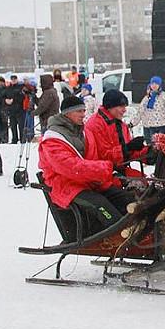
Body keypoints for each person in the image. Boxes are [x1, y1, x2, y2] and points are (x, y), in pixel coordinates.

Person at [38, 96, 135, 233]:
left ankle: (137, 223)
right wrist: (105, 168)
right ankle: (119, 234)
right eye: (79, 111)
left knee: (122, 197)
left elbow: (94, 158)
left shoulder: (85, 132)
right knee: (100, 204)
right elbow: (71, 168)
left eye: (84, 110)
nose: (83, 114)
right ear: (67, 113)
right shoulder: (52, 139)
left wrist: (109, 172)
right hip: (66, 184)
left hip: (88, 180)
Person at [85, 89, 148, 179]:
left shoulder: (120, 124)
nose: (124, 110)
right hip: (101, 174)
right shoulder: (95, 125)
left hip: (120, 169)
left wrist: (148, 152)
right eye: (121, 106)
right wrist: (127, 148)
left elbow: (129, 153)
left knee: (151, 184)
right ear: (110, 107)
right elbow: (103, 156)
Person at [130, 76, 165, 143]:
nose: (154, 85)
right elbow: (140, 111)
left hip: (161, 126)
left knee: (161, 146)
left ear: (160, 85)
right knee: (151, 147)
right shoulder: (146, 98)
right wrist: (132, 123)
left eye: (156, 84)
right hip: (149, 126)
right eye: (152, 83)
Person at [4, 75, 25, 143]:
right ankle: (14, 139)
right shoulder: (8, 88)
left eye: (14, 79)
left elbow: (22, 97)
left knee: (21, 126)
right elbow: (4, 96)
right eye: (12, 79)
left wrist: (14, 100)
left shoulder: (20, 87)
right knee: (13, 126)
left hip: (19, 109)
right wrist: (6, 100)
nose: (13, 80)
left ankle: (22, 139)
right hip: (11, 109)